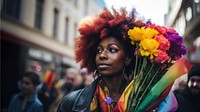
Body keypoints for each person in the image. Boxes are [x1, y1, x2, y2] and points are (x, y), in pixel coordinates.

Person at [57, 7, 179, 112]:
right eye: (98, 50)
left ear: (127, 59)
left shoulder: (145, 101)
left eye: (112, 50)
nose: (102, 55)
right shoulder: (71, 102)